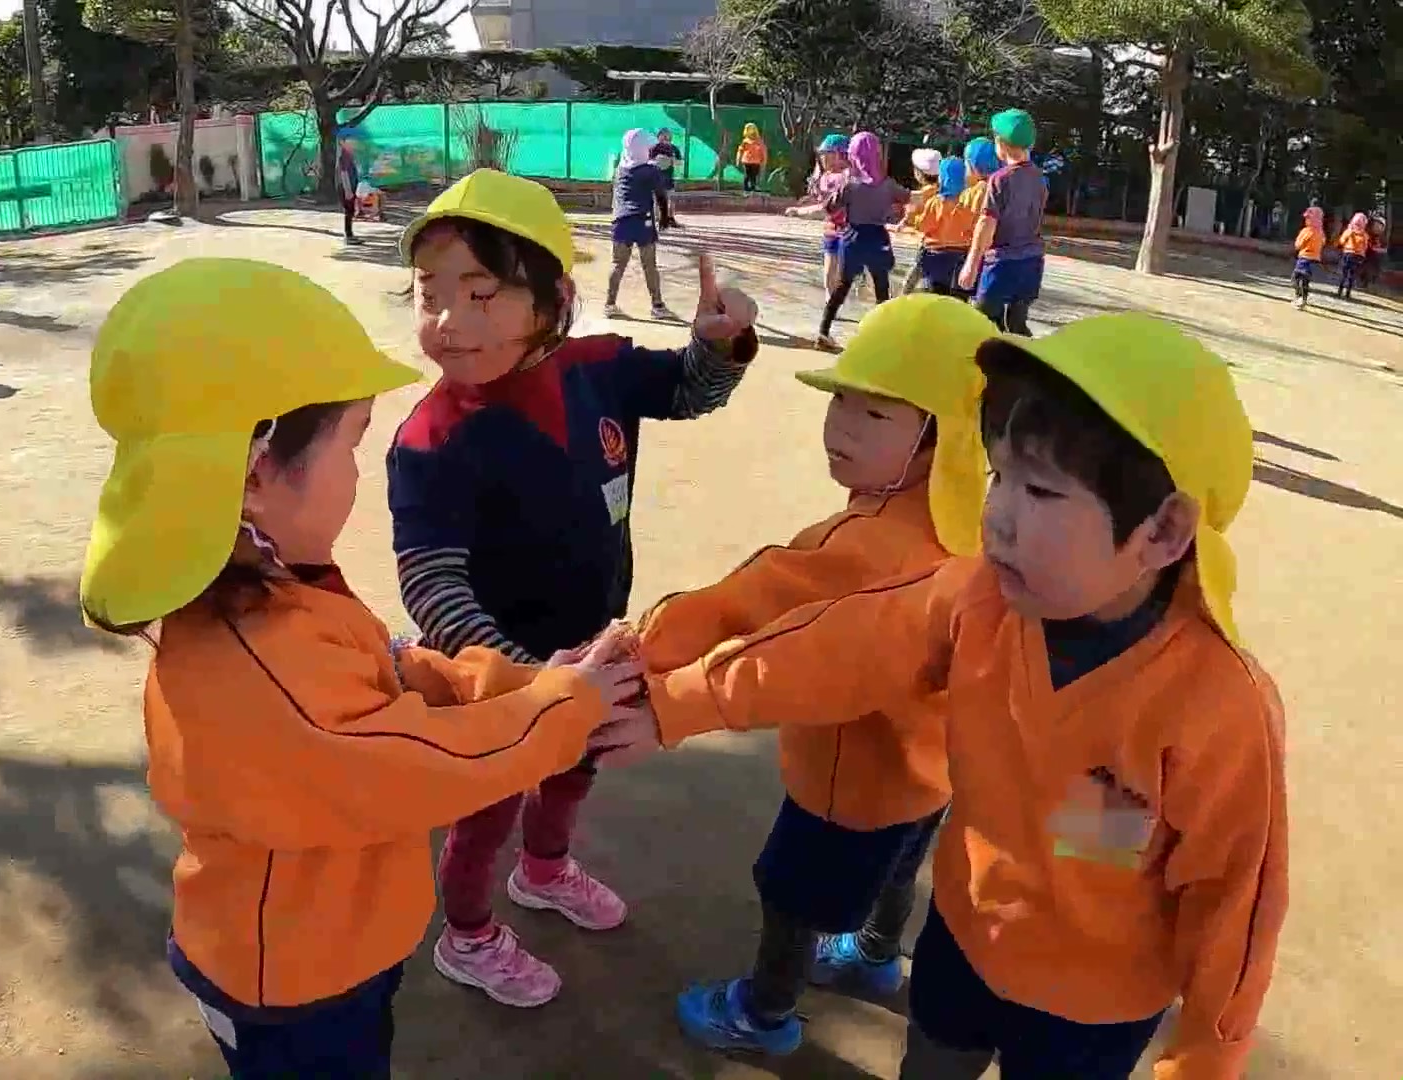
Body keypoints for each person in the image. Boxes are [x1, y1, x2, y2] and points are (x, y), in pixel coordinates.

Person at [629, 312, 1287, 1080]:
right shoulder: (980, 601)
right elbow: (838, 646)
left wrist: (1208, 1057)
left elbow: (1233, 903)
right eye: (1000, 475)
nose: (997, 515)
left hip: (1092, 1009)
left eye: (1040, 490)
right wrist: (678, 699)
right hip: (963, 940)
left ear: (1165, 529)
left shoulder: (1219, 710)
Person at [77, 257, 646, 1077]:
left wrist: (535, 681)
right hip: (295, 985)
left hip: (337, 941)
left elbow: (394, 671)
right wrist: (564, 710)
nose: (357, 474)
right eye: (349, 443)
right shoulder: (261, 666)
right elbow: (418, 765)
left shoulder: (276, 588)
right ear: (255, 474)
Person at [386, 169, 760, 1008]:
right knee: (486, 807)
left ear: (553, 299)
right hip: (493, 680)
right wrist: (530, 682)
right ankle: (470, 934)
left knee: (572, 769)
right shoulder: (431, 438)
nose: (449, 322)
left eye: (481, 294)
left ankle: (546, 870)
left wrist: (715, 345)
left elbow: (690, 393)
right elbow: (433, 583)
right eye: (430, 295)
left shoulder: (597, 369)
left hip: (590, 637)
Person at [651, 294, 998, 1055]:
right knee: (904, 862)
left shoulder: (863, 541)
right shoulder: (983, 517)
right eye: (839, 400)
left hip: (846, 779)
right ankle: (875, 956)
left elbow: (748, 601)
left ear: (946, 438)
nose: (840, 424)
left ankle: (763, 1012)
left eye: (875, 415)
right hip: (928, 769)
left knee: (790, 892)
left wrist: (647, 645)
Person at [811, 131, 909, 350]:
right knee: (881, 286)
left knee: (842, 285)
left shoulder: (850, 183)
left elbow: (829, 207)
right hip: (877, 237)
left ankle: (823, 332)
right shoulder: (888, 184)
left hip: (852, 237)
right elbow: (907, 198)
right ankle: (883, 337)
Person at [959, 110, 1047, 335]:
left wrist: (971, 264)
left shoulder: (1000, 179)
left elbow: (986, 224)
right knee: (1016, 323)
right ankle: (1024, 364)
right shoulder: (1040, 178)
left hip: (1002, 264)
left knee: (978, 319)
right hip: (1032, 262)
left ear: (1000, 142)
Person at [604, 129, 675, 321]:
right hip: (642, 219)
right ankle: (657, 306)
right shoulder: (649, 171)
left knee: (618, 264)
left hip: (620, 220)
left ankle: (609, 305)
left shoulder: (620, 169)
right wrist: (666, 217)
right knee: (649, 265)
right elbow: (661, 195)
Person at [788, 134, 853, 295]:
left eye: (826, 154)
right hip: (832, 229)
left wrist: (800, 212)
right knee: (830, 272)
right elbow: (822, 200)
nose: (822, 157)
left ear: (838, 155)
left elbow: (826, 207)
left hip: (850, 232)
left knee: (839, 272)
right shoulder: (826, 177)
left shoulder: (847, 178)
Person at [913, 157, 979, 299]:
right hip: (960, 256)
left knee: (934, 296)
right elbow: (972, 229)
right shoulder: (966, 205)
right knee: (957, 300)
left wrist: (916, 219)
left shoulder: (936, 203)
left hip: (935, 256)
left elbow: (924, 226)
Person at [900, 148, 942, 293]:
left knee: (914, 275)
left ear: (919, 173)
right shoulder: (944, 190)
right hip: (947, 244)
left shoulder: (920, 195)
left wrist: (905, 223)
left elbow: (911, 217)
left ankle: (902, 299)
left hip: (929, 243)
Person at [1291, 205, 1325, 310]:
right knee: (1305, 280)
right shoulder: (1320, 232)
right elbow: (1323, 242)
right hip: (1315, 259)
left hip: (1304, 258)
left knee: (1295, 278)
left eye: (1308, 218)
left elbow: (1298, 244)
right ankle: (1303, 299)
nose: (1306, 220)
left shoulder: (1306, 231)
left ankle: (1299, 297)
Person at [651, 128, 683, 229]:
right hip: (655, 178)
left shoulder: (674, 148)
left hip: (669, 178)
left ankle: (670, 219)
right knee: (655, 200)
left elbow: (680, 162)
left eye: (667, 135)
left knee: (671, 199)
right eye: (663, 135)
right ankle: (656, 219)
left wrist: (672, 161)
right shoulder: (654, 148)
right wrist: (657, 161)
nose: (665, 137)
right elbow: (648, 160)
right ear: (658, 136)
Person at [1335, 212, 1370, 300]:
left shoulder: (1349, 231)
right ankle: (1348, 293)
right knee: (1352, 274)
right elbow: (1365, 247)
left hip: (1348, 254)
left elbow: (1341, 241)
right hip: (1358, 256)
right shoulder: (1365, 235)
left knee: (1344, 273)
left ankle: (1339, 291)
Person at [336, 131, 362, 245]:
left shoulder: (349, 155)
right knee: (349, 211)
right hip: (346, 187)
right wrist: (348, 190)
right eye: (350, 142)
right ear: (342, 143)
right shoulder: (344, 155)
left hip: (350, 187)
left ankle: (350, 235)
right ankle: (348, 236)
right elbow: (344, 173)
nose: (353, 144)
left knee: (350, 211)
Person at [736, 122, 768, 194]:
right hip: (747, 161)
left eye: (752, 129)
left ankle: (753, 187)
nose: (751, 131)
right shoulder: (745, 141)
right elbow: (740, 150)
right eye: (749, 129)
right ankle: (746, 188)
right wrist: (738, 159)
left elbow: (763, 151)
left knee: (754, 175)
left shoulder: (759, 141)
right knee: (747, 175)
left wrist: (764, 160)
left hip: (756, 161)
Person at [1364, 214, 1387, 291]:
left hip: (1376, 257)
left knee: (1375, 268)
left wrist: (1381, 249)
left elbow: (1384, 246)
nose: (1377, 227)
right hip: (1367, 255)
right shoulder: (1367, 235)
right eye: (1375, 225)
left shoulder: (1382, 238)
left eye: (1380, 226)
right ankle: (1366, 281)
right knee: (1367, 267)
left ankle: (1373, 280)